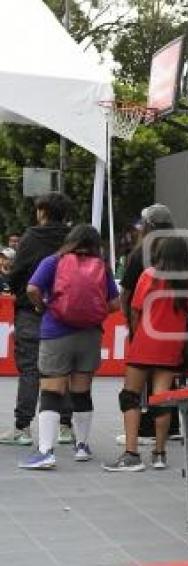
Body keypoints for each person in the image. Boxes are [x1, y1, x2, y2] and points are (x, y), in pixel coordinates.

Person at [19, 225, 120, 469]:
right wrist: (94, 314)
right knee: (81, 391)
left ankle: (46, 452)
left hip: (56, 332)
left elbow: (32, 289)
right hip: (90, 335)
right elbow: (115, 303)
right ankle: (82, 446)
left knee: (52, 391)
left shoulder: (54, 261)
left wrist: (44, 306)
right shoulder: (101, 266)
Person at [105, 237, 188, 472]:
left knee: (130, 396)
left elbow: (135, 310)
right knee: (162, 400)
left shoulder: (149, 275)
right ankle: (159, 453)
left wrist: (136, 335)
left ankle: (132, 454)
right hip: (171, 346)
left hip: (145, 342)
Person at [0, 193, 74, 446]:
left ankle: (23, 428)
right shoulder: (73, 238)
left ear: (43, 211)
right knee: (63, 369)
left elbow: (17, 273)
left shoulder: (31, 237)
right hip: (65, 313)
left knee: (30, 369)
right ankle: (65, 426)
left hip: (31, 312)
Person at [117, 204, 180, 445]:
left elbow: (127, 295)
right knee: (166, 383)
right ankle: (166, 435)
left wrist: (132, 325)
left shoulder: (141, 252)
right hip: (175, 331)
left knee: (134, 388)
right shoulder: (183, 251)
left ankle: (141, 433)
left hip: (145, 327)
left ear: (148, 226)